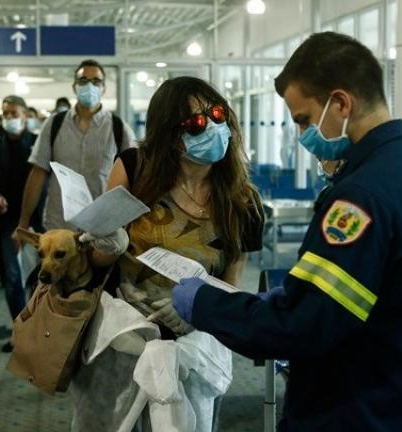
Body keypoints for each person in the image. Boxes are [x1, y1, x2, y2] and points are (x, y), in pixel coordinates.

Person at [170, 32, 402, 431]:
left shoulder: (361, 197)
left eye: (304, 119)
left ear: (341, 103)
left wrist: (204, 303)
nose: (302, 133)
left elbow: (303, 327)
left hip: (359, 411)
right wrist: (297, 297)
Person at [71, 76, 264, 430]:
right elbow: (98, 263)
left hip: (193, 344)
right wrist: (108, 245)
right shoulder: (134, 169)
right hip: (124, 338)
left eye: (218, 114)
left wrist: (202, 311)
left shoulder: (241, 198)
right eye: (197, 123)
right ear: (169, 132)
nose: (213, 127)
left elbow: (232, 281)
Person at [15, 60, 135, 238]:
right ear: (74, 87)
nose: (90, 86)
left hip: (102, 228)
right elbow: (38, 173)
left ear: (104, 88)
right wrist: (23, 222)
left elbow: (134, 177)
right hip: (59, 225)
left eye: (96, 82)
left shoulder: (119, 128)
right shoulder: (54, 124)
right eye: (83, 81)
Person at [0, 95, 43, 353]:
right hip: (7, 224)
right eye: (5, 114)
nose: (10, 119)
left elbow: (47, 183)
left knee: (39, 280)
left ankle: (39, 331)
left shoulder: (39, 146)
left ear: (26, 115)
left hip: (37, 225)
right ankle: (20, 331)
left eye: (14, 113)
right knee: (13, 279)